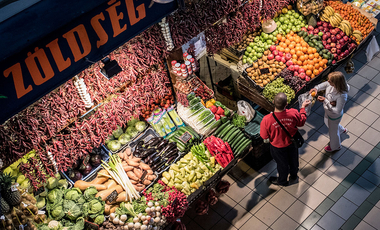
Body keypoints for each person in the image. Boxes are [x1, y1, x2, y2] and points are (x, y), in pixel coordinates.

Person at [260, 93, 310, 186]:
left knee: (282, 164)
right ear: (286, 104)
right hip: (292, 143)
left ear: (273, 102)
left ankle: (282, 181)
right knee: (294, 160)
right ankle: (294, 177)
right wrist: (303, 108)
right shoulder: (293, 113)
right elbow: (301, 122)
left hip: (277, 147)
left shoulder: (266, 120)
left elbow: (264, 136)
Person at [309, 71, 349, 152]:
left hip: (334, 115)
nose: (328, 81)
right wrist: (316, 88)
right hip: (328, 112)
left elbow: (337, 110)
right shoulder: (333, 85)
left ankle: (335, 146)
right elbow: (325, 84)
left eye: (330, 81)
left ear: (335, 83)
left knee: (333, 132)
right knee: (326, 121)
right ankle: (341, 130)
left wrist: (325, 101)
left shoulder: (342, 95)